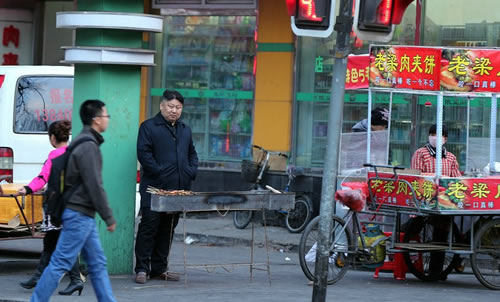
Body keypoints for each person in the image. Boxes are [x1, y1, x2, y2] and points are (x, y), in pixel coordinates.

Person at [31, 100, 116, 302]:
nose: (108, 120)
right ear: (96, 119)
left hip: (82, 214)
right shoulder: (88, 146)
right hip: (79, 214)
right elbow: (94, 185)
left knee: (97, 264)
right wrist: (108, 217)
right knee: (60, 262)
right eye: (106, 115)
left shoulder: (83, 141)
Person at [134, 89, 198, 284]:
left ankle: (160, 268)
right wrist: (160, 172)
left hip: (177, 189)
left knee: (168, 229)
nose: (174, 111)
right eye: (170, 106)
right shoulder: (149, 127)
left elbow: (192, 154)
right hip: (154, 189)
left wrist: (190, 171)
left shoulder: (185, 129)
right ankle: (142, 269)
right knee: (149, 227)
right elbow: (143, 154)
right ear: (161, 106)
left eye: (178, 107)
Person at [18, 120, 84, 296]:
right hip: (73, 207)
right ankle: (46, 278)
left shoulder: (54, 155)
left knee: (54, 244)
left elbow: (42, 178)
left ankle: (69, 279)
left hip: (57, 208)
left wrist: (26, 189)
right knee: (55, 244)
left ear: (53, 138)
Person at [409, 123, 462, 279]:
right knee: (416, 225)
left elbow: (456, 178)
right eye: (432, 134)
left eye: (438, 135)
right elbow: (417, 176)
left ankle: (436, 270)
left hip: (444, 202)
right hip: (425, 199)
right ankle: (403, 235)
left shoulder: (451, 157)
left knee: (442, 234)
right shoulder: (420, 153)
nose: (434, 137)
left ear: (445, 139)